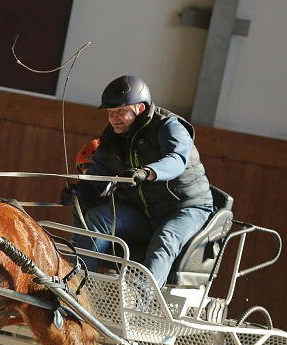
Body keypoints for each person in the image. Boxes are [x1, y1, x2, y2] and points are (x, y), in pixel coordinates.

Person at [62, 75, 214, 285]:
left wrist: (147, 171)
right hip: (143, 212)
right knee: (98, 218)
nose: (114, 118)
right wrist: (79, 192)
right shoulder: (110, 141)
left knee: (165, 239)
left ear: (140, 108)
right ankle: (79, 287)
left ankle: (138, 301)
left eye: (121, 111)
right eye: (110, 112)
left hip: (185, 208)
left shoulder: (169, 126)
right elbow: (95, 181)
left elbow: (177, 160)